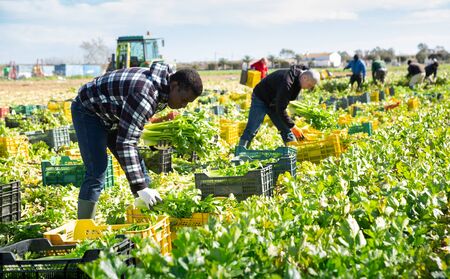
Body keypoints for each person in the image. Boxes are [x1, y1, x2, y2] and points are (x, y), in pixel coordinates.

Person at [71, 62, 203, 219]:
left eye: (187, 103)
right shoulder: (145, 94)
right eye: (184, 100)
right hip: (88, 111)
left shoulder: (162, 87)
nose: (183, 106)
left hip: (112, 114)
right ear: (175, 85)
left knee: (137, 165)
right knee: (97, 170)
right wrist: (141, 187)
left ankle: (146, 214)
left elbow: (134, 126)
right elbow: (125, 143)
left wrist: (153, 146)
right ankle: (84, 227)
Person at [238, 65, 320, 148]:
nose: (308, 88)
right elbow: (280, 109)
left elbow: (306, 69)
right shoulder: (287, 83)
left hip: (274, 101)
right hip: (261, 99)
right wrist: (293, 127)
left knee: (286, 130)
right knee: (252, 129)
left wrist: (290, 126)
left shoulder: (302, 73)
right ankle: (240, 153)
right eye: (309, 85)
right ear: (305, 78)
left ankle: (295, 153)